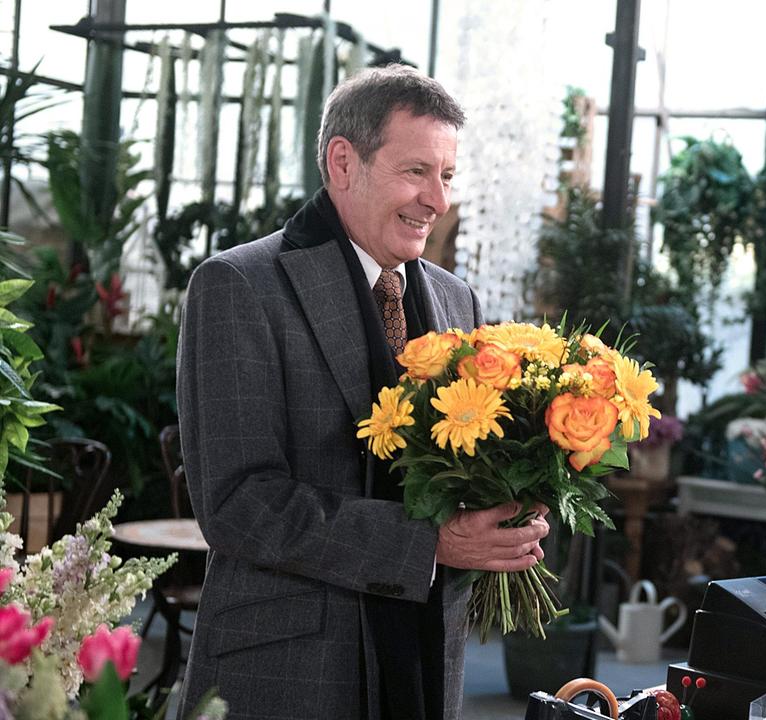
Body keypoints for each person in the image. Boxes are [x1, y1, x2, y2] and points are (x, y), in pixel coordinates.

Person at [175, 65, 550, 720]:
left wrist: (513, 500)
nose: (437, 200)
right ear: (343, 163)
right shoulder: (237, 285)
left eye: (448, 176)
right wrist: (431, 543)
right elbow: (239, 504)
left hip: (426, 664)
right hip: (290, 676)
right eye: (416, 172)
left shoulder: (456, 298)